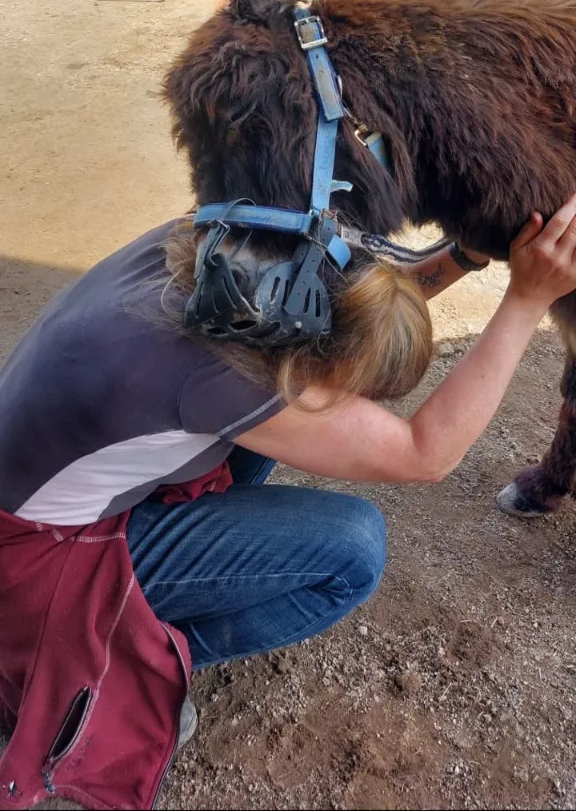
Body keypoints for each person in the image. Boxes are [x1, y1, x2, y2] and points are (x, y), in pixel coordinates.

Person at [2, 197, 576, 810]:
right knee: (353, 548)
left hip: (54, 487)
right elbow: (425, 453)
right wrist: (525, 300)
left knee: (268, 439)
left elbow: (356, 301)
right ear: (311, 358)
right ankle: (127, 666)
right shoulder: (223, 377)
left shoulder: (229, 252)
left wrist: (462, 256)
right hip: (32, 563)